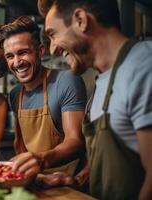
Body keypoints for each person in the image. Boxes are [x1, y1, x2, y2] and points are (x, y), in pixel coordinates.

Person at [39, 0, 152, 199]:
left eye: (53, 34)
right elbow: (110, 160)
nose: (52, 49)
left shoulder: (144, 66)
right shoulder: (102, 80)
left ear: (81, 20)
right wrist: (77, 180)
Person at [0, 16, 87, 178]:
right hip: (34, 180)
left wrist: (41, 160)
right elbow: (20, 143)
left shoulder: (66, 81)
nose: (17, 63)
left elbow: (76, 141)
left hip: (66, 182)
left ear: (40, 51)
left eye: (23, 53)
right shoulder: (15, 94)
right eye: (10, 56)